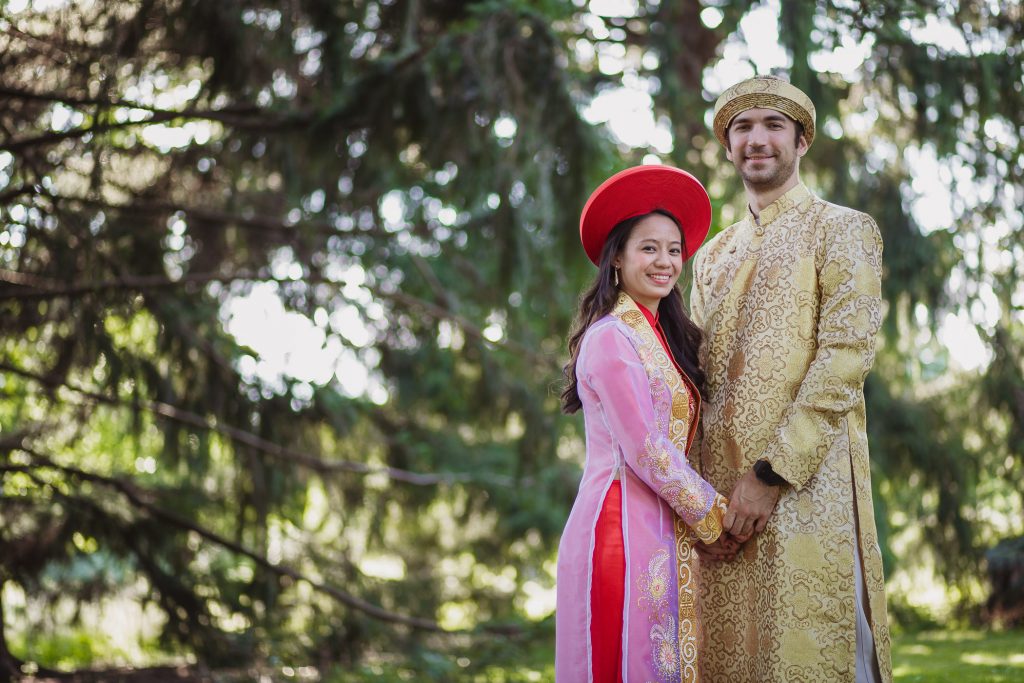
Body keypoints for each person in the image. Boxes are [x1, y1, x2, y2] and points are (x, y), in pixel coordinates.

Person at [690, 74, 894, 682]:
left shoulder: (842, 229)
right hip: (723, 503)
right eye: (742, 128)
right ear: (728, 147)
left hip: (808, 488)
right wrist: (699, 502)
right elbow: (696, 378)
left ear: (801, 141)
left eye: (773, 125)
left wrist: (770, 473)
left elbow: (846, 358)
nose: (757, 139)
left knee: (811, 657)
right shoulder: (712, 255)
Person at [556, 165, 737, 683]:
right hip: (617, 531)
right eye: (649, 248)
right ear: (617, 257)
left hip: (656, 526)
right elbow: (648, 449)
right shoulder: (612, 337)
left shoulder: (661, 338)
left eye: (674, 249)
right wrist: (715, 515)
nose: (665, 261)